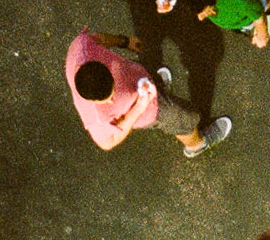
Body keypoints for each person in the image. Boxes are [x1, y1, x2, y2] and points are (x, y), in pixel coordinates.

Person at [65, 30, 228, 156]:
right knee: (183, 119)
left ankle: (159, 87)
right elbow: (107, 143)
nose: (110, 101)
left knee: (154, 81)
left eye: (113, 91)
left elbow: (99, 39)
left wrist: (125, 41)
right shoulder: (95, 117)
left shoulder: (83, 46)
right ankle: (197, 145)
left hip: (138, 76)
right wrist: (139, 107)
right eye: (108, 100)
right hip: (151, 110)